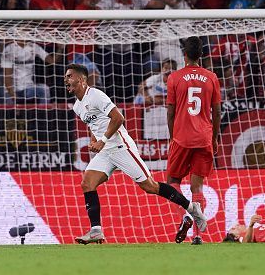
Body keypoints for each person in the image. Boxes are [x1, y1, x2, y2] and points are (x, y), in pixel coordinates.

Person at [64, 64, 207, 244]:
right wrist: (94, 141)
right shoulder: (78, 106)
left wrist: (103, 140)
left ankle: (192, 208)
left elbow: (118, 118)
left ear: (82, 80)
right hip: (105, 151)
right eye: (66, 77)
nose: (66, 80)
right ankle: (95, 230)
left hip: (120, 147)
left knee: (150, 187)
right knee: (87, 183)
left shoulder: (96, 95)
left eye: (69, 76)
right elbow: (93, 124)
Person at [166, 37, 221, 245]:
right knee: (197, 188)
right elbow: (216, 112)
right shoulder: (212, 77)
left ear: (184, 55)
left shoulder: (174, 78)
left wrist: (173, 137)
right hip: (204, 137)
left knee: (172, 182)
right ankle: (197, 235)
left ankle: (186, 215)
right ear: (201, 55)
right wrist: (214, 137)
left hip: (182, 137)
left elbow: (170, 112)